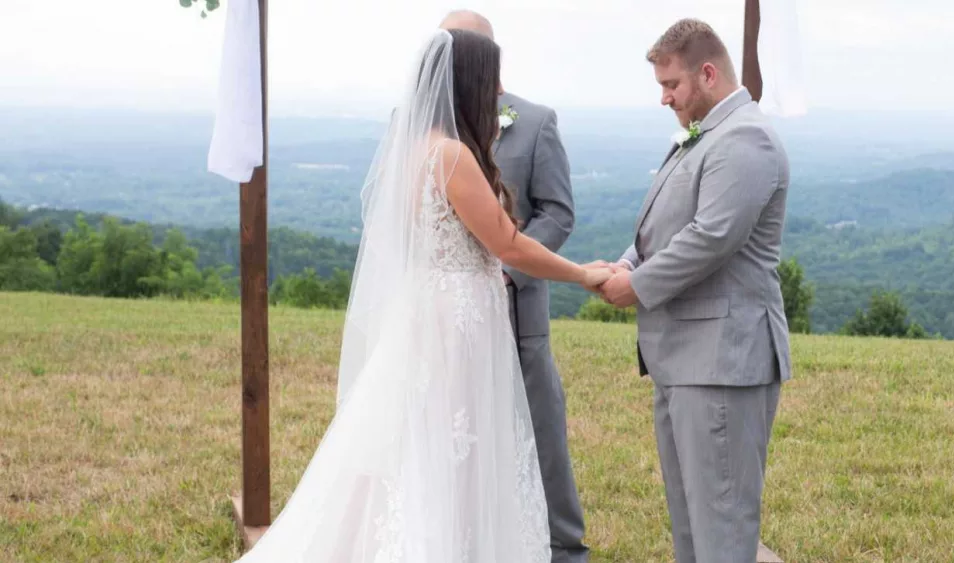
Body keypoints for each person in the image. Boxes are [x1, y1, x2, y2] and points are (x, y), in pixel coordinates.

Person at [233, 28, 612, 563]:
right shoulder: (452, 156)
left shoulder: (414, 149)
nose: (500, 91)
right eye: (493, 79)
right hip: (457, 322)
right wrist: (583, 275)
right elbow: (508, 244)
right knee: (453, 444)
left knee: (427, 441)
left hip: (430, 312)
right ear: (471, 82)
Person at [595, 19, 791, 563]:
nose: (665, 98)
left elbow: (711, 237)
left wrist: (636, 286)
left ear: (707, 74)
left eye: (671, 85)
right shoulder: (706, 134)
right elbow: (669, 226)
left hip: (722, 363)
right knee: (691, 526)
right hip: (685, 361)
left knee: (721, 530)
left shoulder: (745, 138)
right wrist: (628, 261)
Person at [438, 11, 588, 563]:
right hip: (448, 321)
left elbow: (558, 211)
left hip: (518, 314)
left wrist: (507, 268)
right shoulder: (425, 128)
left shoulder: (535, 121)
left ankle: (563, 548)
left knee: (540, 433)